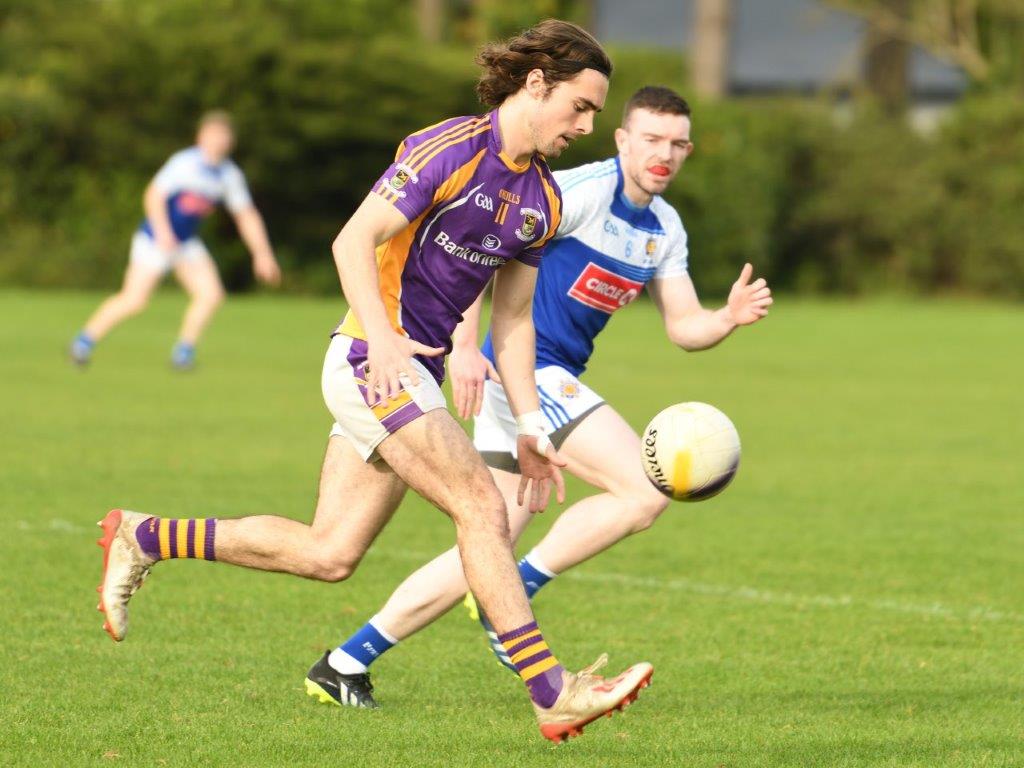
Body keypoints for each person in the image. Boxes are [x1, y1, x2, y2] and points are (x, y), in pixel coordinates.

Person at [95, 20, 652, 743]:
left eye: (594, 115)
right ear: (537, 84)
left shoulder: (544, 203)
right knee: (481, 506)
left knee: (331, 552)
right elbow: (351, 240)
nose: (585, 125)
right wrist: (384, 337)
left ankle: (144, 535)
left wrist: (531, 424)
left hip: (407, 375)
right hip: (369, 359)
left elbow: (514, 324)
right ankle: (552, 694)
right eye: (580, 106)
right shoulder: (447, 147)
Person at [326, 86, 773, 687]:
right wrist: (463, 348)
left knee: (489, 544)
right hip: (529, 376)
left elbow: (684, 327)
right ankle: (522, 590)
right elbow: (476, 254)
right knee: (644, 491)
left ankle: (345, 663)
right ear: (623, 140)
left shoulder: (665, 226)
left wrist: (725, 318)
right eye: (651, 139)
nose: (664, 154)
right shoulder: (578, 193)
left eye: (678, 144)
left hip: (541, 385)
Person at [70, 111, 281, 371]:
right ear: (201, 136)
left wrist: (262, 253)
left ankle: (183, 353)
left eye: (224, 136)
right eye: (213, 134)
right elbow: (153, 195)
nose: (218, 141)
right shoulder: (185, 163)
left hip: (186, 243)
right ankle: (83, 342)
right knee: (134, 299)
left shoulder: (228, 175)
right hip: (154, 240)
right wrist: (163, 231)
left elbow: (246, 214)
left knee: (211, 294)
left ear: (231, 141)